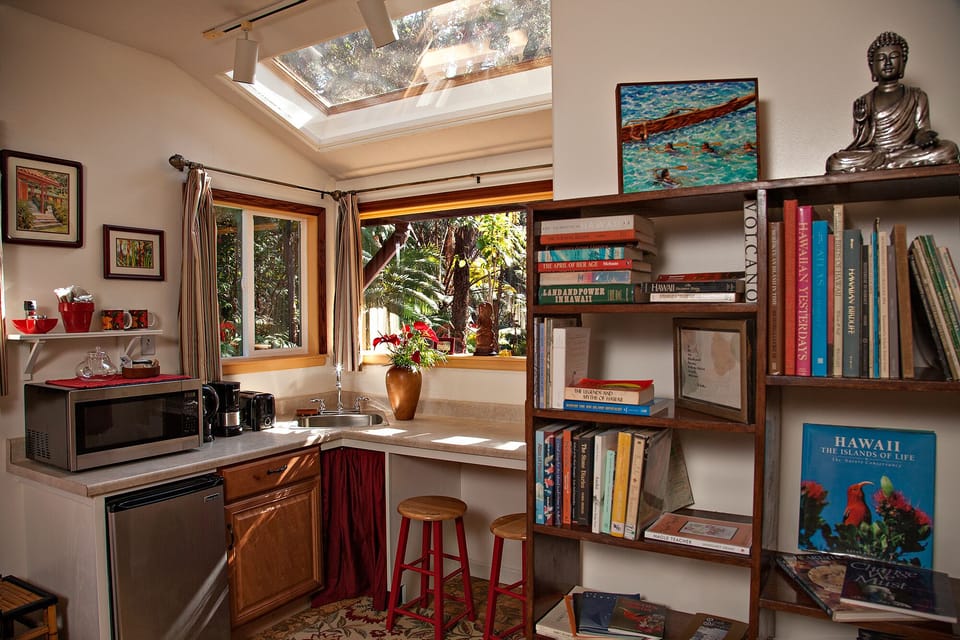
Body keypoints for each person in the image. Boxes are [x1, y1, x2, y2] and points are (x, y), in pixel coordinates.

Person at [826, 31, 958, 173]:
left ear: (903, 63)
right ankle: (891, 163)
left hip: (905, 151)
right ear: (872, 66)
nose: (888, 63)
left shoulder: (917, 96)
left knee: (949, 149)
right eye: (881, 58)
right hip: (875, 154)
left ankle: (891, 163)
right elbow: (863, 142)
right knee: (836, 161)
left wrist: (923, 136)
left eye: (894, 57)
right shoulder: (865, 100)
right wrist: (861, 121)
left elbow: (922, 128)